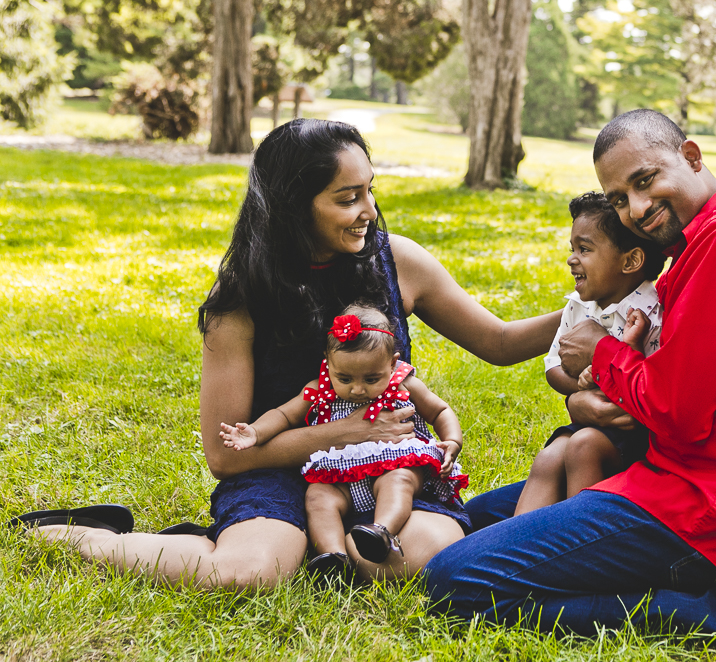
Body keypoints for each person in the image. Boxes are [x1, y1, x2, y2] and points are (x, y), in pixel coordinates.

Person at [12, 118, 560, 589]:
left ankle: (319, 543)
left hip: (388, 468)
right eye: (347, 198)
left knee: (419, 562)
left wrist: (596, 311)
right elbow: (225, 456)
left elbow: (500, 343)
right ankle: (77, 534)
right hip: (278, 470)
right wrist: (345, 434)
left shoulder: (396, 261)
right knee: (247, 574)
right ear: (295, 207)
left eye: (369, 191)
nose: (368, 210)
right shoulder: (241, 300)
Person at [424, 109, 716, 635]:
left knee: (455, 580)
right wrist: (583, 400)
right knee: (462, 523)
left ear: (691, 156)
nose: (636, 208)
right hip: (665, 472)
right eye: (618, 199)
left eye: (645, 181)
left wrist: (601, 352)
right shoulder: (702, 243)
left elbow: (676, 410)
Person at [220, 302, 468, 580]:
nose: (358, 389)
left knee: (399, 482)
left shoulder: (402, 382)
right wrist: (256, 432)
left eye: (372, 378)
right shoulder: (318, 389)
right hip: (340, 477)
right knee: (317, 497)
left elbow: (440, 410)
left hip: (395, 463)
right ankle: (333, 556)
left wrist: (452, 441)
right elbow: (283, 415)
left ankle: (381, 531)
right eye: (345, 378)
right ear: (328, 361)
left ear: (392, 362)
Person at [514, 191, 664, 515]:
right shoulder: (578, 305)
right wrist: (581, 389)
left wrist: (612, 366)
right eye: (572, 249)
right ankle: (512, 543)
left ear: (630, 260)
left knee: (583, 448)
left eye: (584, 249)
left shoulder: (652, 313)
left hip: (638, 440)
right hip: (589, 422)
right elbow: (554, 365)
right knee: (549, 456)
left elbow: (654, 388)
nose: (571, 258)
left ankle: (575, 541)